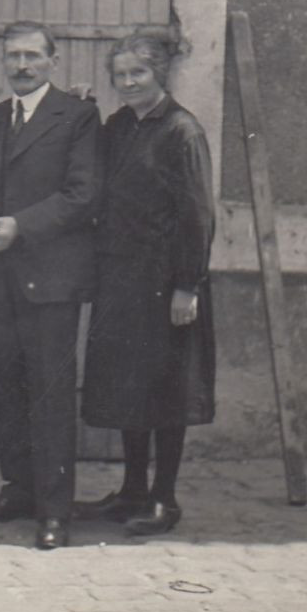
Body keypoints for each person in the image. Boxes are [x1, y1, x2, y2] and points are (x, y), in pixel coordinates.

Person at [0, 22, 102, 550]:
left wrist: (22, 225)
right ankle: (18, 489)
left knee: (50, 395)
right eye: (13, 57)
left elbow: (83, 194)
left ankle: (54, 510)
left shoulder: (79, 115)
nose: (22, 66)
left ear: (53, 61)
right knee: (6, 391)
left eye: (32, 57)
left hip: (51, 282)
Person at [75, 34, 216, 537]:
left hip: (165, 282)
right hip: (122, 278)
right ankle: (133, 490)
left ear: (160, 74)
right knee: (127, 386)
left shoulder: (181, 131)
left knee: (166, 389)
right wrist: (85, 109)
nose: (129, 82)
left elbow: (197, 216)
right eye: (120, 75)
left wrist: (188, 286)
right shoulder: (119, 126)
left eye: (138, 73)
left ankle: (165, 498)